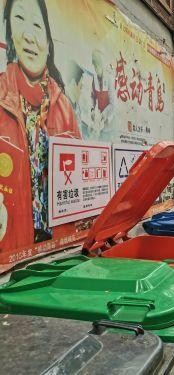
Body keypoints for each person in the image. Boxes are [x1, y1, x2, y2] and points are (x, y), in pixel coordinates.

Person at [0, 0, 80, 251]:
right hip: (11, 252)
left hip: (57, 250)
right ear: (11, 34)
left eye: (37, 24)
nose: (28, 35)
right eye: (19, 20)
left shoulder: (63, 105)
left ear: (47, 39)